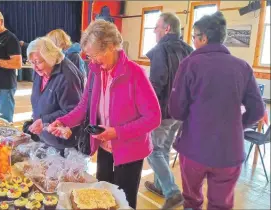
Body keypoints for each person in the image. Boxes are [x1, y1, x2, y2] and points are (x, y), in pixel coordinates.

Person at [49, 19, 161, 209]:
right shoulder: (95, 71)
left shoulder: (135, 74)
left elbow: (153, 118)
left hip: (129, 152)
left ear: (110, 47)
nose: (92, 61)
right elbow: (84, 105)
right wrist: (63, 121)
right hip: (104, 147)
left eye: (95, 55)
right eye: (90, 57)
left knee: (123, 202)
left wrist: (117, 132)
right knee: (101, 199)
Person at [169, 11, 265, 210]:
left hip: (194, 147)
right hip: (229, 152)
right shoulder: (243, 67)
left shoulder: (189, 64)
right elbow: (257, 111)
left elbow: (177, 111)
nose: (193, 41)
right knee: (221, 205)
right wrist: (236, 125)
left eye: (194, 36)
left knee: (192, 201)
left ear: (203, 38)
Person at [144, 12, 193, 209]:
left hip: (163, 112)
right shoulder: (189, 50)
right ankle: (160, 185)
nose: (154, 30)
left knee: (152, 150)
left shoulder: (160, 50)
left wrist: (145, 109)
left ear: (167, 29)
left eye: (157, 26)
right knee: (163, 148)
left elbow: (157, 83)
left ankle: (172, 191)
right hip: (180, 112)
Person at [26, 37, 83, 156]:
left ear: (50, 57)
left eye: (38, 62)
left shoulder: (67, 77)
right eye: (31, 62)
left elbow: (73, 111)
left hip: (62, 143)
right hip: (45, 136)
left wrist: (45, 121)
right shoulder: (40, 71)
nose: (35, 67)